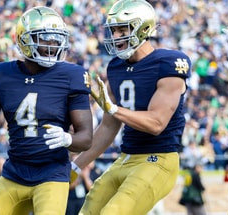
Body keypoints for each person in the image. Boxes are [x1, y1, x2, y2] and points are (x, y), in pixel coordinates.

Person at [0, 6, 93, 215]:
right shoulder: (1, 74)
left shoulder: (72, 75)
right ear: (24, 40)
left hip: (52, 175)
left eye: (56, 38)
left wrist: (68, 139)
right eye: (45, 37)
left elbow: (86, 137)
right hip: (14, 175)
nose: (52, 44)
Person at [71, 0, 191, 214]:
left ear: (144, 28)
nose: (116, 37)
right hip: (125, 158)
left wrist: (114, 108)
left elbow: (156, 123)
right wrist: (76, 166)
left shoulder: (169, 62)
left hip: (158, 159)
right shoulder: (116, 67)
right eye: (113, 30)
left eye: (122, 30)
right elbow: (108, 128)